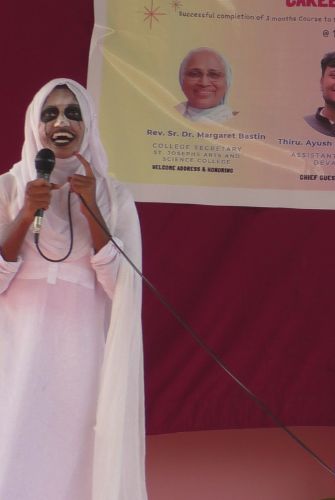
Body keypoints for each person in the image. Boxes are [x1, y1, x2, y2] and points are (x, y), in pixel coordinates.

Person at [0, 79, 146, 499]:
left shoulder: (114, 197)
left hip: (80, 355)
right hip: (15, 350)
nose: (61, 122)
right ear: (34, 124)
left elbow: (123, 287)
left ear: (89, 124)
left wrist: (92, 208)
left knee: (73, 454)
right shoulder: (9, 188)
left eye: (73, 113)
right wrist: (26, 214)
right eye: (50, 113)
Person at [175, 47, 237, 123]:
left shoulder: (243, 122)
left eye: (214, 75)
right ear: (182, 79)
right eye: (195, 74)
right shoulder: (168, 115)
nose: (204, 83)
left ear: (227, 82)